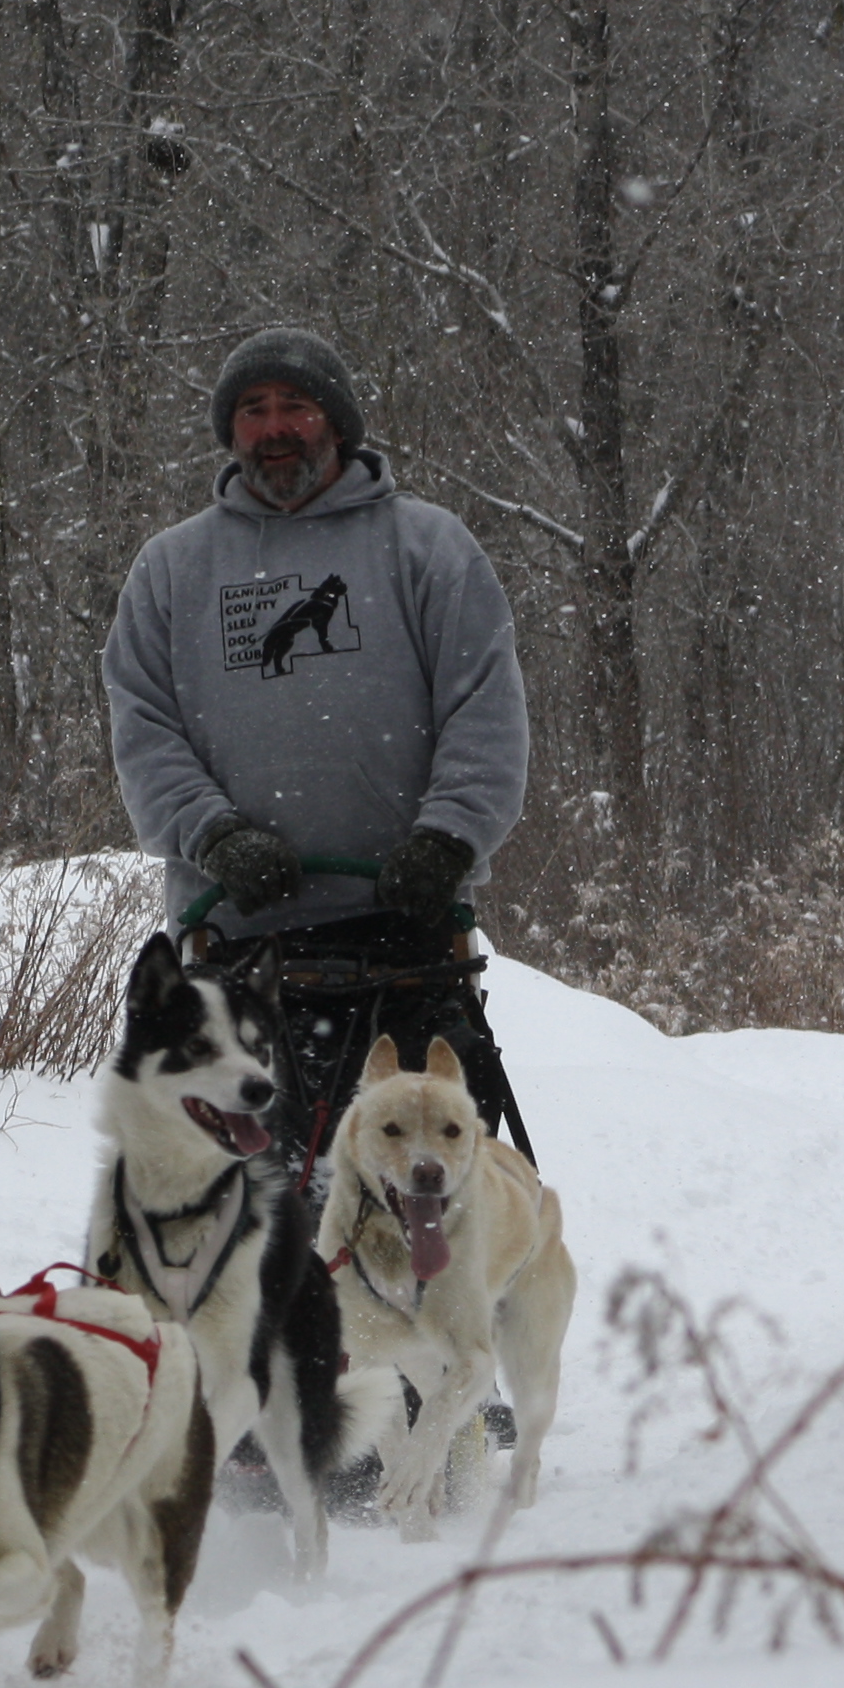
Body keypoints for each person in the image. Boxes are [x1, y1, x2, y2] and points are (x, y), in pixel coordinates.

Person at [101, 324, 534, 1143]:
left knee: (422, 1196)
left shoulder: (429, 547)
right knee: (257, 1213)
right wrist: (214, 834)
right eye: (254, 411)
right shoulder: (171, 570)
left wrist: (447, 839)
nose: (274, 429)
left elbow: (485, 710)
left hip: (409, 939)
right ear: (231, 433)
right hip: (237, 940)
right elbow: (144, 726)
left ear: (335, 422)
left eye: (294, 407)